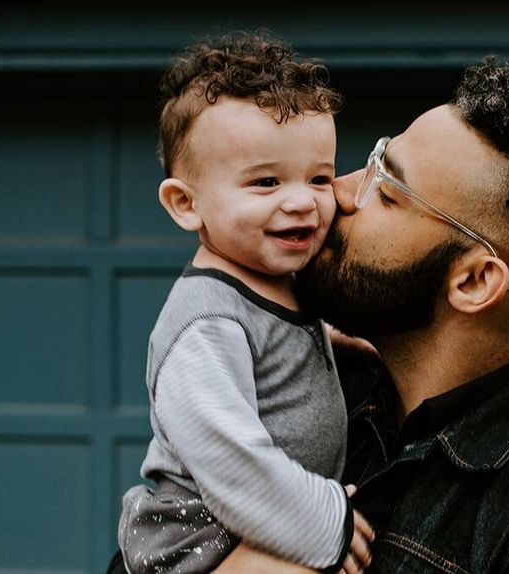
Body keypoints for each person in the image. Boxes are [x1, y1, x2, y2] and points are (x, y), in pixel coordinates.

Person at [215, 53, 509, 572]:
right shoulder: (291, 382)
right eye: (374, 159)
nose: (336, 191)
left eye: (387, 189)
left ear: (473, 281)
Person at [114, 30, 373, 574]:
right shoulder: (206, 323)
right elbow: (232, 461)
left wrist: (327, 341)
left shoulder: (271, 280)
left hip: (252, 521)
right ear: (186, 204)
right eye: (266, 182)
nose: (302, 199)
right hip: (199, 536)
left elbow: (269, 352)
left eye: (319, 177)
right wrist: (328, 521)